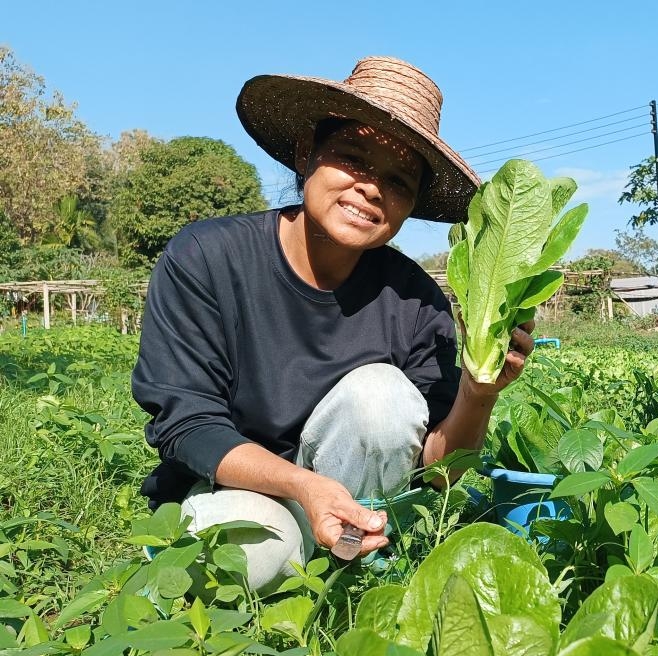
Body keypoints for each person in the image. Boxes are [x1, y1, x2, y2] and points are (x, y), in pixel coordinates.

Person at [132, 57, 531, 592]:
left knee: (380, 395)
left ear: (410, 205)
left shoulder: (416, 299)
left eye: (398, 180)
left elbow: (437, 472)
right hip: (235, 491)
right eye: (353, 157)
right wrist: (303, 487)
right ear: (306, 154)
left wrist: (480, 393)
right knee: (241, 553)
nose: (372, 188)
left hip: (353, 513)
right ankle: (300, 569)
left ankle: (346, 575)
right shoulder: (208, 257)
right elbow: (187, 425)